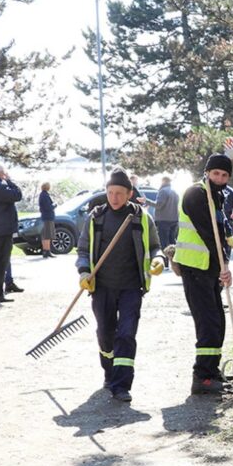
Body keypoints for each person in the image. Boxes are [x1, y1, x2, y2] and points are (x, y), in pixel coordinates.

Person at [76, 168, 163, 402]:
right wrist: (84, 272)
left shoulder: (141, 217)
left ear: (130, 193)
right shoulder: (96, 217)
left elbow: (155, 246)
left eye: (119, 193)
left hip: (131, 288)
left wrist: (158, 259)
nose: (114, 198)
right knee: (106, 333)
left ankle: (122, 385)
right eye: (110, 192)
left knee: (126, 334)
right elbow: (83, 250)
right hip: (102, 288)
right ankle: (109, 371)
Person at [173, 154, 233, 395]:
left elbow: (221, 231)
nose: (219, 178)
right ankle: (202, 376)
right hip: (195, 267)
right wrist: (224, 266)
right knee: (208, 322)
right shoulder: (196, 194)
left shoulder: (219, 196)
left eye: (224, 175)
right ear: (207, 172)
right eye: (215, 173)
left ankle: (212, 370)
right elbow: (209, 233)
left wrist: (224, 263)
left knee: (218, 320)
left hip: (209, 267)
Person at [0, 161, 22, 304]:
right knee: (0, 262)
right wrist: (9, 180)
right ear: (1, 173)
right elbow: (17, 195)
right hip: (1, 230)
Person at [153, 177, 179, 262]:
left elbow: (159, 205)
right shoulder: (174, 192)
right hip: (174, 220)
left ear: (163, 181)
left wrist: (146, 201)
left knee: (164, 242)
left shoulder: (163, 191)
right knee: (172, 242)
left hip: (163, 220)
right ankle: (175, 261)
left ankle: (166, 262)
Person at [39, 181, 56, 258]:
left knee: (45, 235)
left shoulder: (42, 195)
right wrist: (54, 205)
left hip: (45, 217)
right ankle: (47, 251)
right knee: (47, 235)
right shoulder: (45, 195)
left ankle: (45, 250)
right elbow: (48, 207)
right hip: (48, 217)